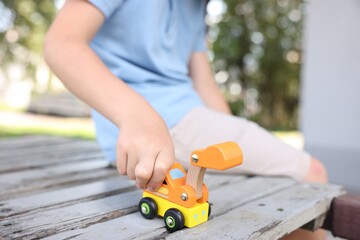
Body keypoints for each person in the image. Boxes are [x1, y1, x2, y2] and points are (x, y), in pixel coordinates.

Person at [44, 1, 328, 239]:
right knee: (311, 173)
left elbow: (204, 84)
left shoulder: (193, 6)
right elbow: (61, 44)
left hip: (189, 119)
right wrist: (137, 116)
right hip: (156, 128)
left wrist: (232, 140)